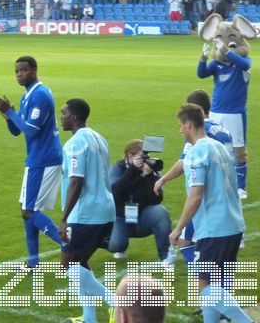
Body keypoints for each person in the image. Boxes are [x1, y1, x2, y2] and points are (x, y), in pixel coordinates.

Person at [169, 103, 252, 323]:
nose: (179, 130)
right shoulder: (221, 149)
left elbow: (195, 196)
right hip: (234, 225)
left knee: (205, 286)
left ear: (188, 124)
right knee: (218, 283)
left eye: (180, 125)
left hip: (215, 229)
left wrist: (178, 229)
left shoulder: (197, 152)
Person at [0, 56, 63, 267]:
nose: (19, 74)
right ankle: (33, 262)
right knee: (27, 211)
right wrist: (7, 116)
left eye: (23, 70)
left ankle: (69, 246)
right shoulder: (28, 96)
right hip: (38, 158)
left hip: (44, 160)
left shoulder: (40, 95)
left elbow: (31, 131)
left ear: (34, 70)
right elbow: (17, 130)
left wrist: (11, 112)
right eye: (16, 71)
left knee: (29, 211)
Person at [153, 89, 233, 265]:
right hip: (230, 210)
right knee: (224, 277)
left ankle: (180, 262)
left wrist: (163, 179)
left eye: (182, 124)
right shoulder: (223, 131)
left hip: (211, 208)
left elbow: (184, 165)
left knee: (184, 241)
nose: (180, 130)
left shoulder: (200, 143)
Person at [58, 98, 115, 323]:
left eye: (63, 113)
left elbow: (76, 181)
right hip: (105, 209)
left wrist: (63, 218)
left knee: (67, 266)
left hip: (85, 213)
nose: (60, 117)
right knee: (80, 262)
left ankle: (116, 302)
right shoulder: (99, 139)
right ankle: (89, 317)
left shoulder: (75, 143)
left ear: (73, 117)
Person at [197, 35, 251, 198]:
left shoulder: (244, 63)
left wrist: (226, 50)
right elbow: (201, 74)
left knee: (238, 150)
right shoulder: (216, 64)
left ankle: (240, 187)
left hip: (235, 114)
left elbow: (244, 63)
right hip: (215, 112)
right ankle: (218, 182)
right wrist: (203, 58)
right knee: (215, 148)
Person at [108, 139, 173, 266]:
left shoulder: (149, 169)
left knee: (161, 212)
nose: (145, 160)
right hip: (121, 216)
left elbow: (156, 199)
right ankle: (120, 245)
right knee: (116, 245)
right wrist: (132, 171)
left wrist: (147, 176)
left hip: (142, 214)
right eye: (142, 157)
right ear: (130, 156)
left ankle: (165, 256)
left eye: (146, 157)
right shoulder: (119, 167)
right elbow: (115, 194)